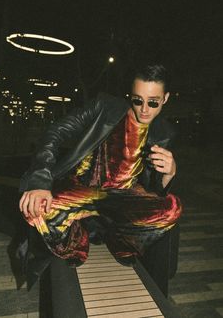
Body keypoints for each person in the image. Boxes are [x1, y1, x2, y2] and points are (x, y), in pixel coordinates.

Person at [19, 64, 182, 293]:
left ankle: (119, 239)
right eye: (138, 100)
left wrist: (169, 174)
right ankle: (77, 239)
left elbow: (154, 190)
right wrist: (40, 182)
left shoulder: (165, 134)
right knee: (35, 207)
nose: (144, 109)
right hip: (81, 191)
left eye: (153, 102)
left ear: (165, 98)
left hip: (121, 199)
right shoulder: (104, 107)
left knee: (171, 209)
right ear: (130, 96)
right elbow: (55, 132)